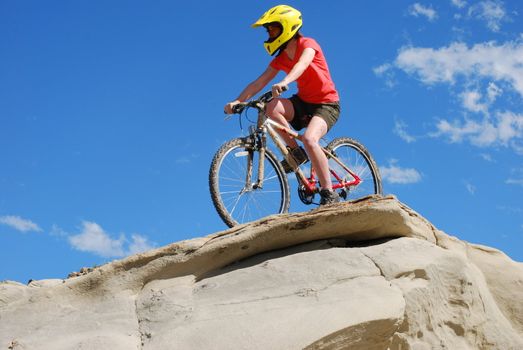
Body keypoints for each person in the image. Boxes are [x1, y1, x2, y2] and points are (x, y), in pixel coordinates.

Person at [224, 5, 341, 205]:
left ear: (287, 27)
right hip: (303, 102)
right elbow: (258, 82)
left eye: (273, 29)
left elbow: (302, 65)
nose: (269, 34)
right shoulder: (280, 58)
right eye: (268, 30)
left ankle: (329, 194)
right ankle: (295, 152)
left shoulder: (308, 44)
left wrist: (286, 82)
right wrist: (238, 101)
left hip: (326, 104)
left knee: (311, 139)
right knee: (272, 106)